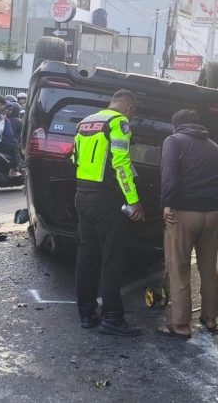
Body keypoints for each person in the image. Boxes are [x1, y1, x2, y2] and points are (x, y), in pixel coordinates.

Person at [74, 89, 144, 336]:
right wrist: (133, 200)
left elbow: (75, 158)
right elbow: (120, 162)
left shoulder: (86, 122)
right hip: (106, 200)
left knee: (87, 255)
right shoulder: (119, 122)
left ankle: (86, 314)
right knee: (112, 257)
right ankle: (112, 318)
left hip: (82, 195)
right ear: (129, 109)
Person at [157, 109, 218, 339]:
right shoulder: (214, 146)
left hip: (184, 212)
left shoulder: (174, 141)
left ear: (176, 126)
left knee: (179, 267)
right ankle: (210, 318)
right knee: (208, 267)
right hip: (214, 213)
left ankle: (181, 325)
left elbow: (169, 175)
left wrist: (167, 204)